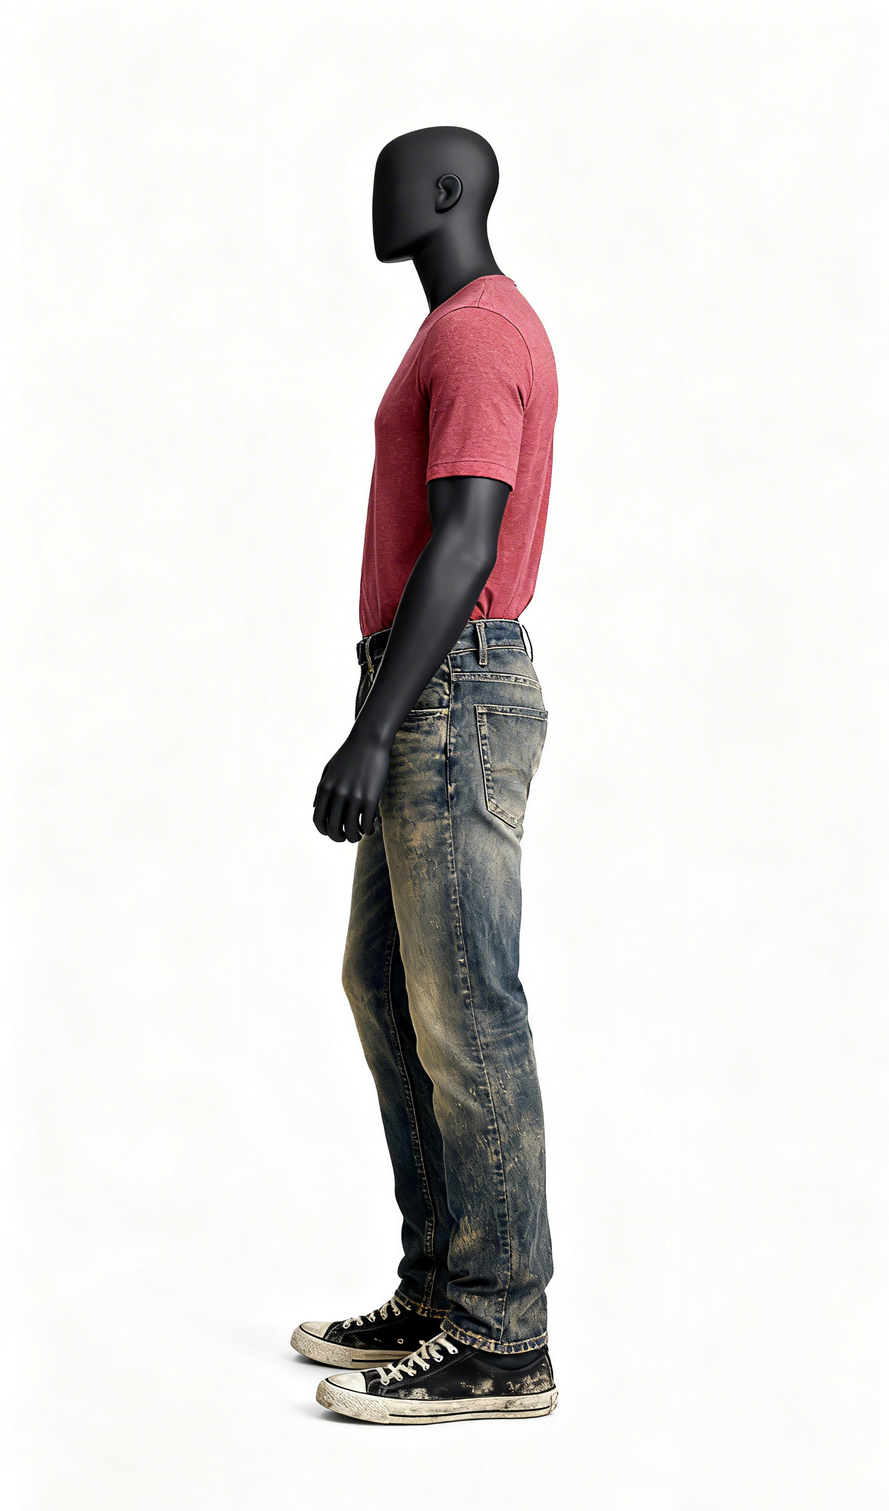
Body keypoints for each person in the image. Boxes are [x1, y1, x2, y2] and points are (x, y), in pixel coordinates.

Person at [293, 125, 559, 1425]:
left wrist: (376, 727)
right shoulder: (459, 329)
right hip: (425, 685)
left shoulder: (475, 333)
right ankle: (441, 1292)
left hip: (448, 687)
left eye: (397, 177)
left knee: (466, 1008)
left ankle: (503, 1337)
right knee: (388, 982)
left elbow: (465, 542)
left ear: (449, 192)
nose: (377, 199)